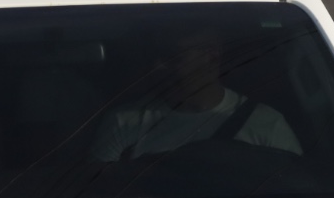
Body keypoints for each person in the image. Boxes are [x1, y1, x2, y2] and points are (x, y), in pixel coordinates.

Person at [91, 34, 301, 161]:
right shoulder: (124, 122)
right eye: (153, 56)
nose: (158, 66)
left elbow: (294, 189)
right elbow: (99, 191)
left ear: (211, 55)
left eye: (173, 56)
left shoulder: (266, 125)